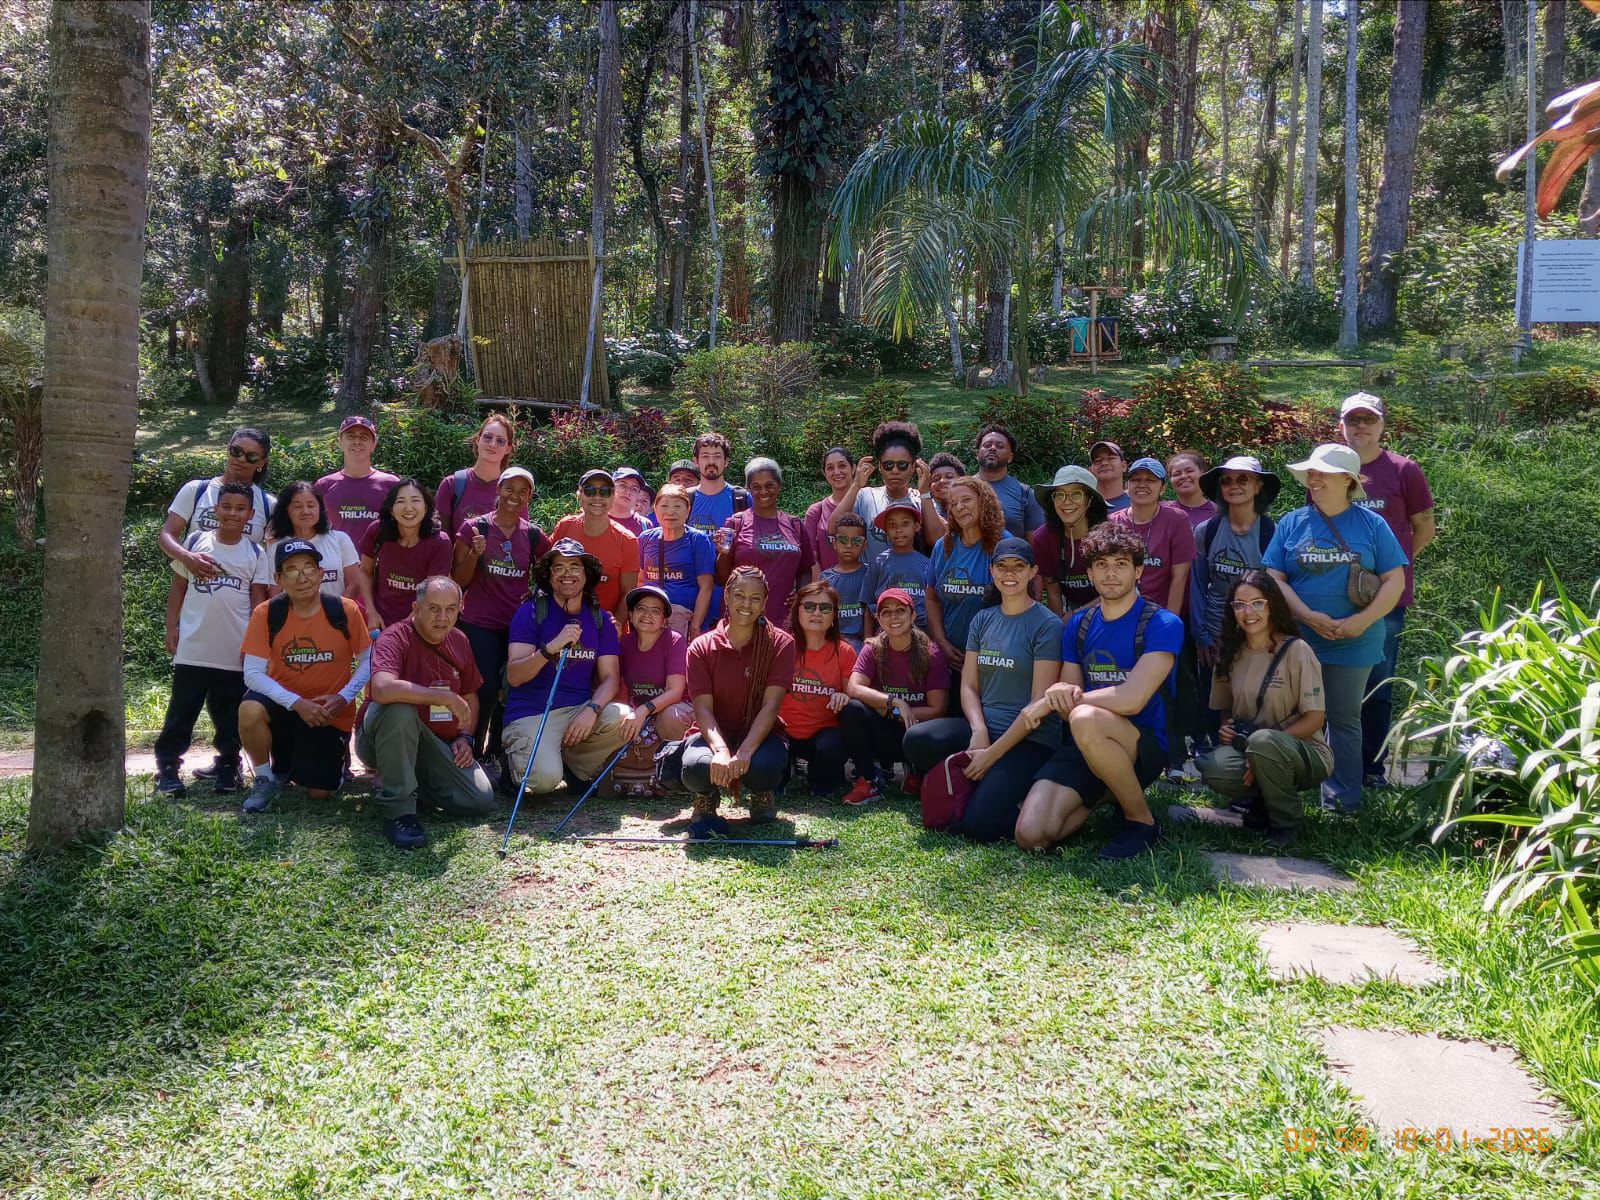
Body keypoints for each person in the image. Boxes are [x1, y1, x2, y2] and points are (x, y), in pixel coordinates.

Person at [1011, 522, 1184, 860]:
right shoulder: (1079, 624)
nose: (1110, 573)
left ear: (1138, 570)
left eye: (1121, 564)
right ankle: (1109, 789)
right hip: (1086, 742)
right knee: (1031, 835)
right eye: (1101, 565)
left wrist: (1048, 703)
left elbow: (1132, 700)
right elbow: (1068, 697)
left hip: (1141, 744)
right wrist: (1060, 695)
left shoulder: (1162, 624)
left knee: (1086, 716)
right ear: (1089, 573)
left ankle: (1141, 820)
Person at [1263, 442, 1407, 813]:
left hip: (1353, 641)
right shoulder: (1292, 522)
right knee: (1292, 717)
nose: (1313, 479)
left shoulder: (1373, 525)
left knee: (1343, 719)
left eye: (1322, 473)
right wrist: (1309, 616)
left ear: (1347, 480)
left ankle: (1342, 803)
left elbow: (1395, 581)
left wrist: (1360, 621)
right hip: (1298, 640)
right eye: (1311, 473)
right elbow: (1273, 577)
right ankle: (1282, 793)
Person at [901, 538, 1063, 843]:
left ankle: (1029, 800)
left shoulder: (1047, 625)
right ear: (992, 571)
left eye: (1019, 566)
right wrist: (978, 731)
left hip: (1030, 740)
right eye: (1002, 566)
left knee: (979, 826)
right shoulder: (983, 619)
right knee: (917, 740)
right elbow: (970, 685)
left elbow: (1038, 706)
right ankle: (985, 785)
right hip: (985, 730)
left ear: (1033, 572)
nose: (1009, 573)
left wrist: (991, 756)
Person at [1339, 391, 1436, 786]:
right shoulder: (1329, 468)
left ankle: (1371, 768)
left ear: (1382, 425)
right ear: (1341, 426)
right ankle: (1335, 763)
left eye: (1369, 420)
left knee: (1377, 681)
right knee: (1335, 681)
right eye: (1353, 420)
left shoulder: (1403, 469)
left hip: (1386, 599)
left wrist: (1388, 573)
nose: (1361, 427)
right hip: (1332, 594)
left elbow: (1424, 528)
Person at [356, 576, 495, 849]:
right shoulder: (394, 637)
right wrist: (441, 697)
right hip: (382, 737)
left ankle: (406, 781)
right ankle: (399, 811)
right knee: (399, 709)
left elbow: (470, 697)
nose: (442, 617)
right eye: (433, 608)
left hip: (434, 743)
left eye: (451, 609)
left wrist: (465, 738)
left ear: (460, 609)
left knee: (478, 798)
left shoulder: (460, 640)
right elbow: (382, 689)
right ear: (416, 608)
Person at [1195, 572, 1332, 849]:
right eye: (1239, 605)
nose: (1248, 612)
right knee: (1214, 766)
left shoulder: (1298, 650)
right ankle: (1262, 802)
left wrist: (1262, 751)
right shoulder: (1230, 652)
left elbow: (1315, 718)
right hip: (1251, 748)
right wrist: (1228, 729)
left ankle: (1286, 824)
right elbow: (1225, 709)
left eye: (1257, 603)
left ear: (1272, 605)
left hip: (1305, 752)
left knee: (1263, 743)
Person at [155, 481, 273, 797]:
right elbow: (179, 587)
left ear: (250, 515)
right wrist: (172, 628)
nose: (232, 513)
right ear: (216, 510)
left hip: (234, 650)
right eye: (227, 507)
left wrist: (256, 647)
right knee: (182, 711)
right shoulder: (195, 542)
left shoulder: (255, 552)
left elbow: (259, 602)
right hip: (193, 647)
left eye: (240, 509)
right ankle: (167, 768)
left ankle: (227, 766)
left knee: (229, 713)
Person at [238, 538, 373, 814]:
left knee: (320, 793)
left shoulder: (344, 610)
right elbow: (252, 674)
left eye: (309, 568)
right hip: (286, 708)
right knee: (249, 709)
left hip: (327, 711)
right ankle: (265, 779)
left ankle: (307, 766)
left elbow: (369, 661)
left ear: (321, 574)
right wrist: (297, 703)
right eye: (291, 570)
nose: (302, 577)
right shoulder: (267, 613)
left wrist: (343, 697)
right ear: (279, 578)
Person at [503, 539, 632, 796]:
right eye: (558, 568)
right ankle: (518, 765)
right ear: (549, 577)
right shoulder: (530, 613)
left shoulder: (600, 619)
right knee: (543, 782)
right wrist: (550, 649)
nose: (567, 574)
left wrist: (592, 710)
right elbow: (514, 676)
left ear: (586, 575)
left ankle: (573, 768)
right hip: (533, 712)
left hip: (577, 711)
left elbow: (610, 678)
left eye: (574, 566)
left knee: (624, 718)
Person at [682, 566, 798, 838]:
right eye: (739, 595)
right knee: (695, 768)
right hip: (713, 734)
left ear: (765, 603)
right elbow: (703, 709)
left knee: (764, 767)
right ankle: (706, 798)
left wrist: (745, 751)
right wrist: (721, 750)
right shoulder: (701, 647)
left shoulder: (781, 644)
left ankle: (761, 794)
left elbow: (771, 706)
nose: (746, 604)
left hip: (760, 735)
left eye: (755, 598)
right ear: (726, 598)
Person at [451, 467, 548, 774]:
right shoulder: (474, 529)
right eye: (509, 489)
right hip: (478, 622)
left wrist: (535, 592)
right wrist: (474, 556)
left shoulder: (532, 535)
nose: (514, 496)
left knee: (513, 687)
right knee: (485, 687)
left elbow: (552, 571)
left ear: (529, 497)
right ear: (499, 489)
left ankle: (499, 753)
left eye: (522, 491)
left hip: (517, 625)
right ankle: (473, 751)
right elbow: (457, 580)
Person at [1110, 456, 1198, 781]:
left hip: (1162, 617)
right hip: (1123, 617)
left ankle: (1178, 755)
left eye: (1151, 479)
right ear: (1127, 484)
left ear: (1162, 487)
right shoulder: (1115, 521)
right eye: (1136, 479)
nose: (1142, 485)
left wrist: (1168, 628)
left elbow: (1179, 577)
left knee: (1171, 685)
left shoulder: (1175, 520)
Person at [1190, 456, 1280, 748]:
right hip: (1216, 629)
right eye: (1226, 480)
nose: (1234, 485)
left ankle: (1256, 751)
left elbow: (1278, 590)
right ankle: (1221, 756)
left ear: (1258, 486)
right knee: (1217, 695)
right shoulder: (1208, 530)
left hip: (1258, 629)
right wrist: (1201, 633)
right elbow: (1198, 584)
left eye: (1243, 479)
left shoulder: (1271, 533)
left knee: (1254, 692)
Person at [845, 589, 949, 803]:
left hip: (915, 730)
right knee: (852, 709)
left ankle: (918, 772)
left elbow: (937, 708)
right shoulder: (873, 648)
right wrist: (895, 703)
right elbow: (854, 688)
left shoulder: (931, 653)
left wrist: (895, 712)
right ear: (878, 619)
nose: (894, 617)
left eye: (900, 611)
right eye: (886, 612)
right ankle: (869, 779)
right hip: (885, 729)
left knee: (921, 735)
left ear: (913, 616)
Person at [780, 581, 875, 799]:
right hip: (783, 730)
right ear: (797, 611)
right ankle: (786, 770)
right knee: (772, 764)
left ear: (834, 617)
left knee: (830, 755)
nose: (817, 613)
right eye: (809, 606)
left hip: (824, 732)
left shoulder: (845, 651)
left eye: (825, 608)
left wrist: (843, 695)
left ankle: (819, 776)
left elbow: (851, 694)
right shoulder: (783, 647)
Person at [714, 457, 815, 629]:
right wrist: (723, 552)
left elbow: (805, 569)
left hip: (783, 620)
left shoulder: (795, 524)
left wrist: (801, 594)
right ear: (749, 489)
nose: (763, 491)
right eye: (756, 486)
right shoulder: (736, 523)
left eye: (769, 485)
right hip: (742, 619)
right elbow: (722, 578)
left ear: (779, 486)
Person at [161, 427, 275, 578]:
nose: (241, 459)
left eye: (251, 457)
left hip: (244, 595)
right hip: (193, 589)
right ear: (228, 450)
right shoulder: (196, 490)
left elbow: (275, 555)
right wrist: (187, 558)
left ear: (262, 462)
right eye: (236, 451)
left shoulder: (269, 505)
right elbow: (167, 534)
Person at [925, 476, 1003, 697]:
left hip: (991, 659)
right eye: (953, 503)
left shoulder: (1002, 544)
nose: (959, 508)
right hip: (952, 658)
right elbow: (931, 597)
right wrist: (940, 641)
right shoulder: (944, 546)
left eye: (966, 500)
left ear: (983, 502)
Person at [826, 420, 946, 554]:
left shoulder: (922, 499)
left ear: (913, 467)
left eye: (902, 465)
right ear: (880, 467)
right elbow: (832, 528)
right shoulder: (865, 496)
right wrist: (856, 486)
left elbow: (937, 540)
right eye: (888, 465)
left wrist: (925, 493)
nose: (895, 470)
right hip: (871, 575)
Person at [266, 481, 375, 622]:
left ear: (320, 508)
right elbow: (276, 593)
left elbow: (354, 584)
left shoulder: (340, 539)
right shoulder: (277, 547)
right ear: (286, 510)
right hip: (296, 623)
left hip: (338, 620)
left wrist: (334, 612)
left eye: (311, 505)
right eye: (297, 506)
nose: (306, 511)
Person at [359, 478, 454, 631]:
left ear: (426, 507)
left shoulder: (440, 542)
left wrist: (404, 627)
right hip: (379, 621)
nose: (408, 508)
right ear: (391, 509)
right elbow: (364, 571)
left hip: (421, 624)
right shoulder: (377, 531)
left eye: (415, 500)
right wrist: (371, 611)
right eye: (401, 501)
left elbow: (431, 594)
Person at [552, 469, 641, 630]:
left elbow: (628, 592)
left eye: (605, 491)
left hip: (605, 626)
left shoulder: (626, 540)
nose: (597, 497)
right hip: (562, 622)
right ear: (579, 495)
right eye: (590, 490)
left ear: (613, 497)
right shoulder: (565, 527)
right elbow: (548, 571)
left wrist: (615, 628)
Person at [636, 482, 714, 636]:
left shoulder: (698, 540)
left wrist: (696, 626)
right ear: (655, 509)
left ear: (688, 511)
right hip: (649, 620)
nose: (670, 512)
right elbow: (640, 580)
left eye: (677, 506)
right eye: (664, 506)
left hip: (684, 622)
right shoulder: (645, 538)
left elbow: (706, 587)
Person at [618, 584, 693, 741]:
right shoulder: (625, 643)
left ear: (664, 620)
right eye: (641, 609)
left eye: (655, 611)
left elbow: (675, 691)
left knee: (669, 717)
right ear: (630, 615)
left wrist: (644, 710)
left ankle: (675, 762)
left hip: (677, 708)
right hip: (640, 710)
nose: (647, 615)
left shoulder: (674, 641)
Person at [1031, 465, 1109, 618]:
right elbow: (1052, 588)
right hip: (1074, 606)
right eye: (1060, 495)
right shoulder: (1044, 537)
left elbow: (1117, 589)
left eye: (1076, 494)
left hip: (1114, 602)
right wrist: (1058, 625)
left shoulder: (1109, 535)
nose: (1067, 502)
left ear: (1090, 499)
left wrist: (1076, 615)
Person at [314, 414, 399, 548]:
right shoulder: (324, 485)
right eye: (351, 436)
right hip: (339, 563)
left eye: (364, 437)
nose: (357, 442)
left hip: (381, 563)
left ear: (374, 444)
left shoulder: (391, 484)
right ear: (340, 442)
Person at [435, 412, 519, 537]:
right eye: (487, 437)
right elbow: (441, 540)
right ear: (478, 440)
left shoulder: (514, 491)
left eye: (500, 441)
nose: (492, 444)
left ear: (508, 449)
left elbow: (520, 540)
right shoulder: (451, 485)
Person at [864, 499, 932, 628]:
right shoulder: (879, 563)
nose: (899, 530)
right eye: (892, 525)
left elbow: (933, 604)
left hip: (921, 633)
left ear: (916, 526)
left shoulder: (927, 564)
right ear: (886, 531)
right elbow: (868, 604)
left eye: (905, 523)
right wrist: (867, 638)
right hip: (886, 634)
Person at [974, 425, 1046, 537]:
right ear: (977, 454)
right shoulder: (962, 489)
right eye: (987, 445)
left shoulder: (1025, 493)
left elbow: (1036, 544)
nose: (992, 448)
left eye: (1000, 446)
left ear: (1010, 457)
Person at [687, 431, 749, 538]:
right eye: (705, 456)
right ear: (696, 461)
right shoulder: (685, 498)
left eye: (717, 456)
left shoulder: (742, 499)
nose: (711, 462)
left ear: (726, 461)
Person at [823, 512, 872, 646]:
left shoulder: (870, 574)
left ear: (864, 546)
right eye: (843, 540)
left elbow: (870, 609)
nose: (849, 545)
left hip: (862, 644)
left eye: (856, 541)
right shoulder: (825, 578)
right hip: (833, 644)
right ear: (834, 543)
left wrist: (868, 644)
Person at [1166, 450, 1217, 531]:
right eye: (1176, 474)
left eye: (1189, 471)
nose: (1183, 476)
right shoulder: (1162, 512)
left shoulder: (1218, 513)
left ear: (1203, 473)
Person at [609, 466, 653, 536]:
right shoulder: (594, 518)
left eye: (634, 489)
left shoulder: (645, 525)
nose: (628, 492)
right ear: (611, 487)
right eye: (623, 485)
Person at [1089, 440, 1131, 513]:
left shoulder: (1137, 504)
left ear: (1123, 466)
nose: (1104, 463)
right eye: (1098, 460)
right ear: (1091, 470)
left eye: (1111, 458)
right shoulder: (1084, 506)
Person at [926, 451, 966, 522]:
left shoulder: (974, 510)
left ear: (962, 480)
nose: (942, 481)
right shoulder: (924, 513)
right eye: (936, 479)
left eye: (949, 477)